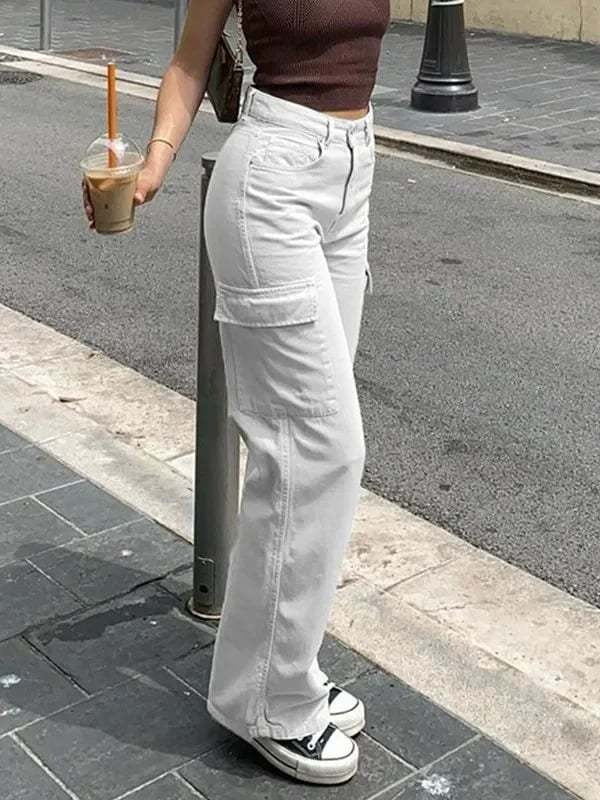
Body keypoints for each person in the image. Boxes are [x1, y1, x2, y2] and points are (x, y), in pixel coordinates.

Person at [83, 0, 390, 785]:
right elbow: (191, 59)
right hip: (271, 185)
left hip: (352, 176)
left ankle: (280, 669)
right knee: (322, 450)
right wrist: (153, 165)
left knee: (301, 458)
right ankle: (269, 704)